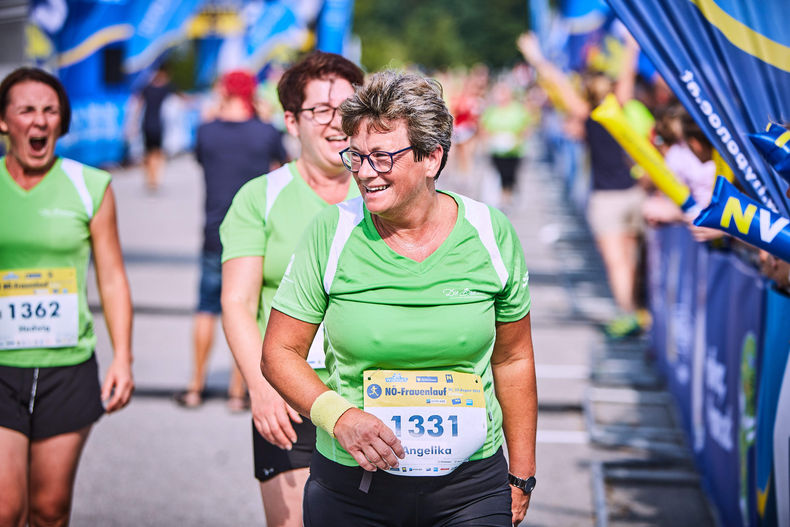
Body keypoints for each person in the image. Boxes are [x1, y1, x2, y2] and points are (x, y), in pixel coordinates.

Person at [261, 70, 538, 527]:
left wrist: (522, 474)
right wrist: (340, 416)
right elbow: (279, 352)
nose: (365, 173)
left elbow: (514, 359)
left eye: (383, 158)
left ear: (432, 157)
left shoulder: (491, 232)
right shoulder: (331, 233)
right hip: (354, 488)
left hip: (470, 488)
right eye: (357, 156)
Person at [219, 52, 363, 526]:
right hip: (289, 395)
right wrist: (261, 387)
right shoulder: (259, 197)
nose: (337, 122)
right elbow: (237, 301)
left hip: (374, 394)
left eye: (348, 107)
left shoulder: (383, 194)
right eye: (321, 110)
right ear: (290, 119)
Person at [0, 67, 134, 526]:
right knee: (5, 508)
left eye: (50, 110)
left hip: (66, 367)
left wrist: (123, 358)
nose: (39, 121)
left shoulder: (89, 185)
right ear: (4, 121)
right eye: (27, 110)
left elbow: (112, 278)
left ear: (61, 121)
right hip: (1, 367)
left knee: (50, 509)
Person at [518, 32, 647, 338]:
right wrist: (632, 45)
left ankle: (627, 314)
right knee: (630, 260)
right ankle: (636, 312)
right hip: (634, 194)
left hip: (606, 199)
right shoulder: (621, 111)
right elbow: (627, 77)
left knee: (616, 263)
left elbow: (560, 84)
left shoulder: (588, 116)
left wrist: (535, 56)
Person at [175, 69, 286, 411]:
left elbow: (200, 159)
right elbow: (284, 169)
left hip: (213, 232)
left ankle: (195, 387)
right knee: (247, 309)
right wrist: (266, 121)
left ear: (224, 92)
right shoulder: (266, 133)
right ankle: (238, 394)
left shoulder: (207, 132)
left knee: (207, 307)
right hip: (253, 232)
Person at [138, 65, 173, 191]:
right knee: (157, 153)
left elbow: (138, 105)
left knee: (148, 153)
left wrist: (132, 125)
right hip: (158, 124)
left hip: (146, 123)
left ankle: (149, 178)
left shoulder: (146, 88)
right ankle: (154, 179)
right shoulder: (165, 89)